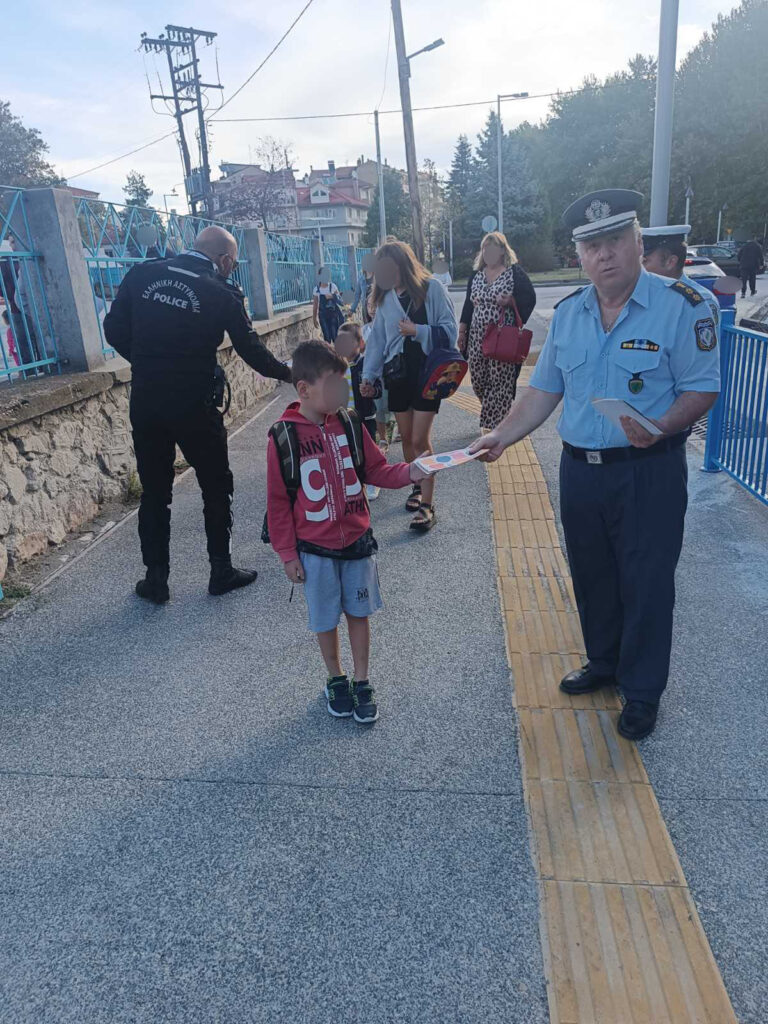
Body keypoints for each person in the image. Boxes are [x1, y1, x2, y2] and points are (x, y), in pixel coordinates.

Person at [470, 189, 721, 741]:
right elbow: (544, 391)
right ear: (580, 255)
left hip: (648, 469)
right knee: (593, 573)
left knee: (647, 581)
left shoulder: (684, 305)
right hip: (581, 471)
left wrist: (661, 426)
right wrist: (502, 435)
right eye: (592, 246)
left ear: (637, 242)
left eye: (614, 241)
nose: (604, 255)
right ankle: (605, 662)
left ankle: (643, 690)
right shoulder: (569, 314)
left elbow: (702, 388)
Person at [104, 225, 292, 604]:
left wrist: (148, 362)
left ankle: (156, 579)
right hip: (195, 404)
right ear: (224, 260)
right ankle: (220, 570)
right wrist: (289, 373)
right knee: (215, 484)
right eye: (232, 263)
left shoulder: (142, 274)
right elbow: (249, 348)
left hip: (148, 400)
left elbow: (113, 330)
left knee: (155, 491)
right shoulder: (221, 290)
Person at [266, 340, 432, 723]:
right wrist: (287, 554)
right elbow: (278, 503)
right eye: (333, 384)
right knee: (325, 619)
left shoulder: (350, 423)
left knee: (359, 613)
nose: (343, 392)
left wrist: (411, 472)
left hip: (357, 543)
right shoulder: (283, 437)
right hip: (315, 551)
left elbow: (375, 469)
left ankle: (362, 679)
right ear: (304, 389)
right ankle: (336, 677)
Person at [360, 239, 458, 532]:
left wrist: (418, 330)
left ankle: (428, 505)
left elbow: (450, 330)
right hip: (397, 374)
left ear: (403, 265)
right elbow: (377, 340)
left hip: (428, 373)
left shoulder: (432, 289)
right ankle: (416, 485)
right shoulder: (385, 298)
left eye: (389, 269)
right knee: (405, 437)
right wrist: (368, 377)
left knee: (418, 439)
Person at [459, 232, 537, 430]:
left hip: (503, 335)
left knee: (500, 381)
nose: (488, 253)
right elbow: (468, 306)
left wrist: (511, 301)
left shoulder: (514, 272)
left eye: (493, 248)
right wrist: (461, 332)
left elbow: (530, 298)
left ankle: (495, 428)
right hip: (477, 336)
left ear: (503, 250)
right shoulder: (476, 274)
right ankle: (493, 414)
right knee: (478, 379)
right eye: (485, 249)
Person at [334, 320, 381, 501]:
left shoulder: (366, 364)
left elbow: (379, 386)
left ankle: (373, 481)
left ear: (360, 343)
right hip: (345, 418)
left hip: (366, 416)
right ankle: (355, 481)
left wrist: (373, 391)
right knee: (348, 450)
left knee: (369, 450)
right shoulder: (337, 367)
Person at [642, 224, 721, 329]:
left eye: (645, 261)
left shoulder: (698, 302)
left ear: (671, 262)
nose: (640, 268)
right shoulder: (643, 295)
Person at [312, 267, 343, 342]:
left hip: (333, 315)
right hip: (323, 316)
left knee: (335, 336)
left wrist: (332, 296)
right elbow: (315, 305)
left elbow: (341, 301)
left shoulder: (333, 287)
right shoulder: (316, 289)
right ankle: (328, 349)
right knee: (327, 337)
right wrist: (314, 318)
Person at [350, 256, 374, 324]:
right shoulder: (361, 279)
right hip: (366, 307)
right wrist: (352, 309)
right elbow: (357, 296)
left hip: (377, 306)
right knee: (367, 326)